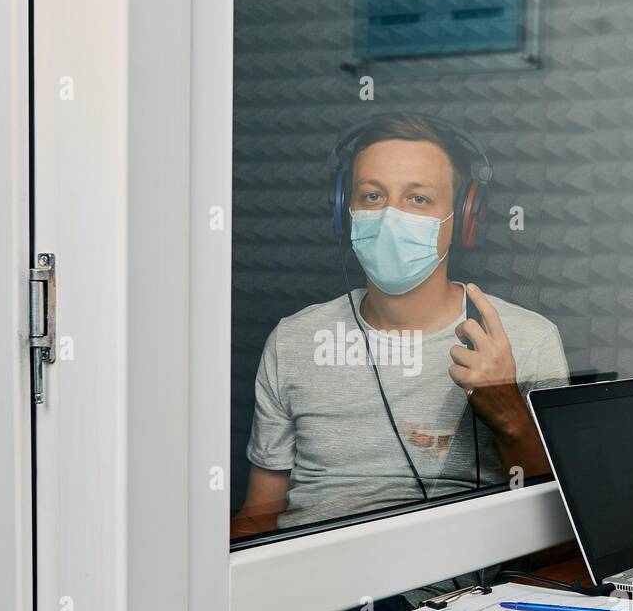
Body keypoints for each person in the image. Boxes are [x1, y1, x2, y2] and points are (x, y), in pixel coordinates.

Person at [231, 113, 569, 540]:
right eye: (372, 196)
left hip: (432, 595)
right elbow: (260, 514)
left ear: (464, 218)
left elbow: (557, 526)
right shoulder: (295, 338)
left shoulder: (526, 338)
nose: (390, 217)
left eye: (418, 199)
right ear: (345, 211)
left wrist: (508, 410)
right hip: (302, 584)